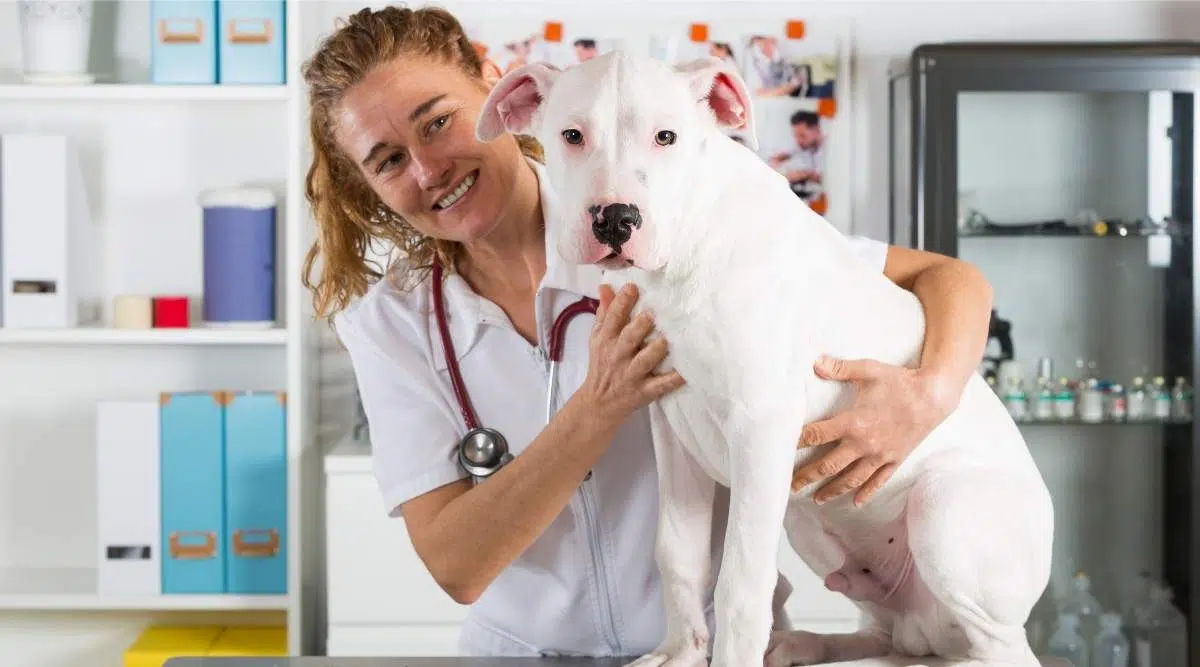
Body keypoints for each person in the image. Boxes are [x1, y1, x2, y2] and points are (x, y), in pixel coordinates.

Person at [301, 5, 994, 658]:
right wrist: (597, 408)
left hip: (713, 646)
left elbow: (946, 277)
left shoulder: (680, 227)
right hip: (520, 655)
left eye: (436, 122)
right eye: (387, 159)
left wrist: (927, 395)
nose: (428, 169)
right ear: (368, 184)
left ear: (495, 91)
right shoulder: (390, 323)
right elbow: (457, 565)